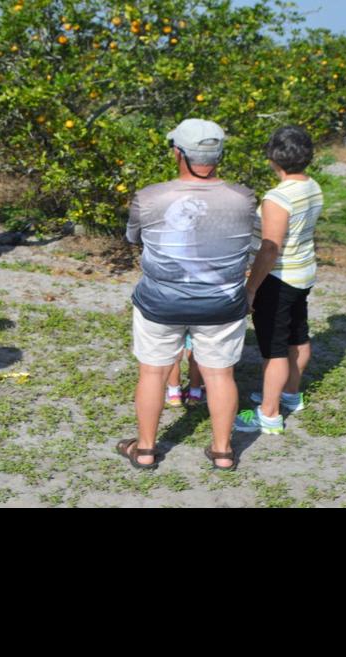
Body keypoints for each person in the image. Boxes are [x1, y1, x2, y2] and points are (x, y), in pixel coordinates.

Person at [116, 119, 258, 471]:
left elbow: (134, 239)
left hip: (160, 302)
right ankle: (223, 452)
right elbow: (253, 247)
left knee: (153, 371)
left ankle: (146, 449)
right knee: (221, 375)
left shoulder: (149, 196)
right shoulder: (244, 198)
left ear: (178, 152)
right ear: (220, 155)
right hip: (223, 303)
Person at [236, 125, 323, 437]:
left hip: (279, 279)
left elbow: (270, 249)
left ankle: (269, 414)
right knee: (297, 337)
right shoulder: (313, 186)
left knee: (274, 349)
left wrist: (251, 288)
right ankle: (290, 394)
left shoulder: (278, 198)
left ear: (273, 157)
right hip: (303, 273)